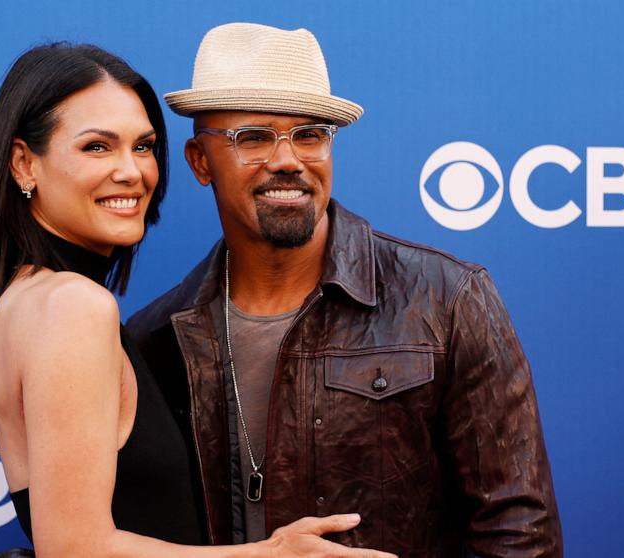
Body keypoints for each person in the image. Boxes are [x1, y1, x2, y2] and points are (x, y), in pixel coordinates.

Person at [127, 23, 564, 558]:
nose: (288, 159)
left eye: (311, 134)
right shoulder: (157, 337)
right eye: (254, 137)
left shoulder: (446, 299)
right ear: (200, 161)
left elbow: (520, 534)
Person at [0, 42, 397, 558]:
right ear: (24, 164)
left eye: (144, 146)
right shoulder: (71, 306)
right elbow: (74, 548)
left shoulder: (26, 301)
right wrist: (272, 554)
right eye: (97, 147)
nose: (132, 171)